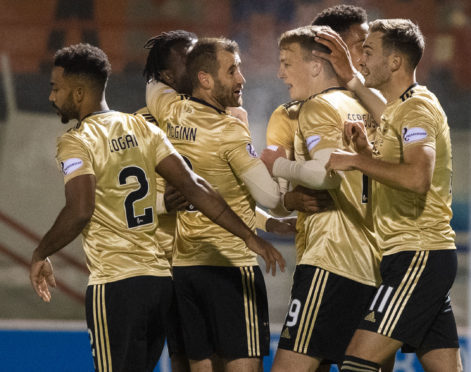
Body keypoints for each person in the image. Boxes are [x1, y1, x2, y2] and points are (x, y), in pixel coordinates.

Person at [29, 43, 285, 372]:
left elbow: (80, 209)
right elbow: (196, 186)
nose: (52, 97)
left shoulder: (77, 140)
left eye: (56, 88)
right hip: (159, 282)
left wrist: (40, 253)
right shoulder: (143, 128)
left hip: (115, 283)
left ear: (78, 93)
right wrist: (250, 237)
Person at [144, 36, 290, 372]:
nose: (242, 79)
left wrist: (267, 222)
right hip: (231, 269)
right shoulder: (229, 132)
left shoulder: (170, 112)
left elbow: (154, 85)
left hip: (185, 270)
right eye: (232, 70)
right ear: (205, 79)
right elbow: (271, 197)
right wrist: (281, 166)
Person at [325, 19, 461, 372]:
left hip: (418, 255)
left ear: (396, 62)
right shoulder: (400, 108)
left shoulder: (416, 109)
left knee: (356, 362)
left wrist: (355, 161)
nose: (362, 58)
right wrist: (367, 154)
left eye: (368, 51)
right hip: (413, 254)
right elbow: (398, 165)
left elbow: (417, 177)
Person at [259, 25, 381, 372]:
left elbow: (322, 173)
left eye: (287, 63)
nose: (280, 72)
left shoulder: (316, 107)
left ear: (315, 65)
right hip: (372, 262)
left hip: (331, 258)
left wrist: (276, 164)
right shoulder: (370, 107)